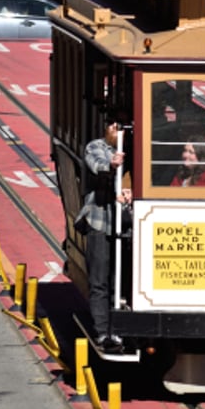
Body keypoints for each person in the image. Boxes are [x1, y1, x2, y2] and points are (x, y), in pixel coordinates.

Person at [75, 116, 132, 353]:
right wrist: (112, 166)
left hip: (126, 225)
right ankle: (102, 331)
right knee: (99, 280)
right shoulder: (96, 146)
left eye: (120, 128)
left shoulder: (134, 153)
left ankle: (120, 328)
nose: (116, 131)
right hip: (100, 221)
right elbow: (96, 164)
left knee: (121, 281)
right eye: (112, 127)